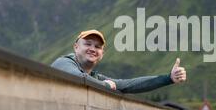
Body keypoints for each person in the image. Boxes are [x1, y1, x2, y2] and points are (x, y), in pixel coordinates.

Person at [51, 29, 187, 93]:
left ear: (102, 54)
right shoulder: (64, 63)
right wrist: (106, 86)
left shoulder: (94, 77)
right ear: (76, 47)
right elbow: (79, 78)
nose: (92, 49)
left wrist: (168, 78)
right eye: (88, 44)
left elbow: (128, 85)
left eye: (98, 47)